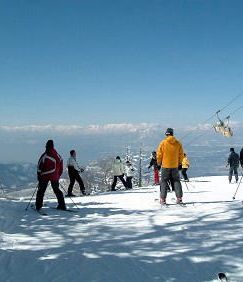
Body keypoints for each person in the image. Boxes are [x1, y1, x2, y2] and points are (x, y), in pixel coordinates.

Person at [36, 140, 66, 211]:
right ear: (53, 146)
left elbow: (39, 166)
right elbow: (61, 166)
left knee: (41, 191)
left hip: (44, 176)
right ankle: (62, 205)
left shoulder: (44, 155)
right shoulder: (58, 155)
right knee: (57, 190)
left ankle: (38, 206)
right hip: (54, 176)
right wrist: (58, 175)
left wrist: (39, 175)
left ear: (46, 146)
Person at [156, 128, 184, 205]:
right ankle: (179, 198)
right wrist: (180, 163)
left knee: (164, 182)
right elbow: (181, 155)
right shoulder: (178, 143)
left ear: (166, 134)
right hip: (175, 165)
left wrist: (159, 163)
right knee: (176, 181)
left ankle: (163, 199)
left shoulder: (163, 143)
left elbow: (159, 154)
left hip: (165, 165)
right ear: (172, 134)